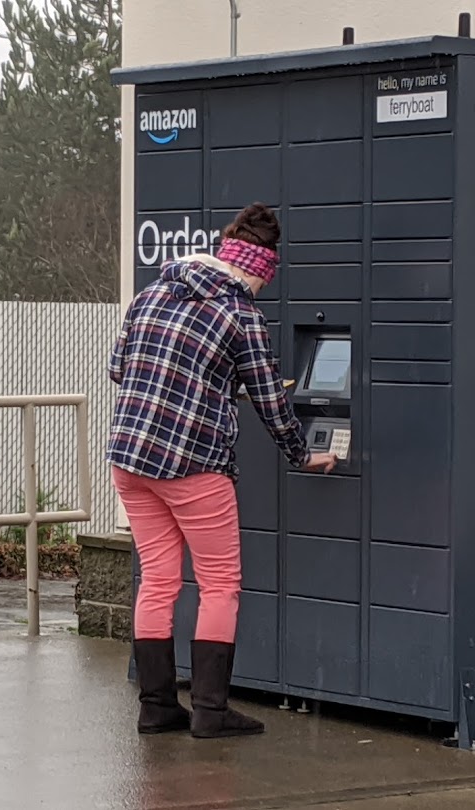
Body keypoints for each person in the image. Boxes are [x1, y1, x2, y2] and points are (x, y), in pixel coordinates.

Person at [107, 202, 337, 739]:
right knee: (219, 585)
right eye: (262, 282)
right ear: (257, 270)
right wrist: (303, 455)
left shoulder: (152, 294)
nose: (260, 292)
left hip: (130, 458)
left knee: (158, 580)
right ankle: (210, 711)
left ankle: (157, 706)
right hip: (193, 464)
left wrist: (192, 381)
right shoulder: (241, 315)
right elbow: (269, 402)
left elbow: (119, 368)